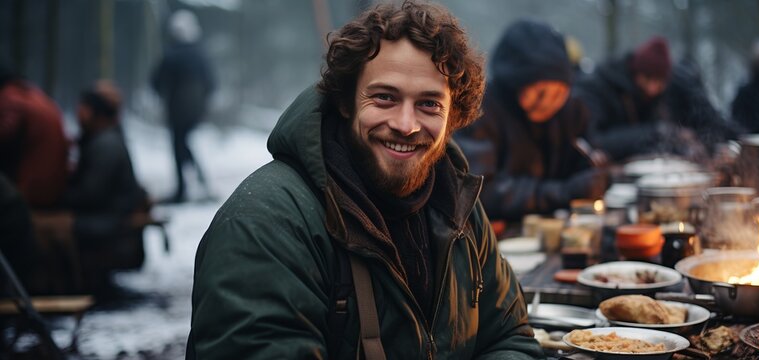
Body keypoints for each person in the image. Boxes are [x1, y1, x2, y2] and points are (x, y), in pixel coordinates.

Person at [187, 2, 542, 359]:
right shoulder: (264, 225)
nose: (406, 124)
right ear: (345, 102)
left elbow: (509, 338)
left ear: (453, 117)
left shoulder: (457, 205)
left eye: (429, 104)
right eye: (385, 97)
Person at [454, 19, 608, 221]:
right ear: (514, 84)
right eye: (540, 92)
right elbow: (481, 191)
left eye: (559, 92)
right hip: (501, 235)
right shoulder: (481, 113)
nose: (548, 102)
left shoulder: (572, 111)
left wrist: (597, 178)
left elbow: (589, 160)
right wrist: (563, 192)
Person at [64, 81, 148, 294]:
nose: (79, 116)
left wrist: (57, 196)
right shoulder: (102, 139)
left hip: (110, 219)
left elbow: (92, 194)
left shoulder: (106, 144)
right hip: (111, 215)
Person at [151, 9, 216, 203]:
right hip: (195, 111)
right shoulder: (200, 55)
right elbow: (211, 84)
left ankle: (183, 189)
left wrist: (162, 96)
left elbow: (156, 81)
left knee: (179, 145)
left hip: (177, 110)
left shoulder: (171, 54)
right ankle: (199, 180)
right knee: (184, 143)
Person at [575, 36, 675, 161]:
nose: (652, 88)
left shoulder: (656, 96)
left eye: (659, 82)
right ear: (636, 72)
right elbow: (593, 140)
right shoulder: (596, 87)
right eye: (648, 78)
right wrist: (652, 132)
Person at [0, 65, 69, 209]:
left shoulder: (10, 96)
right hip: (51, 181)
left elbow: (5, 132)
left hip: (34, 187)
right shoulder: (30, 94)